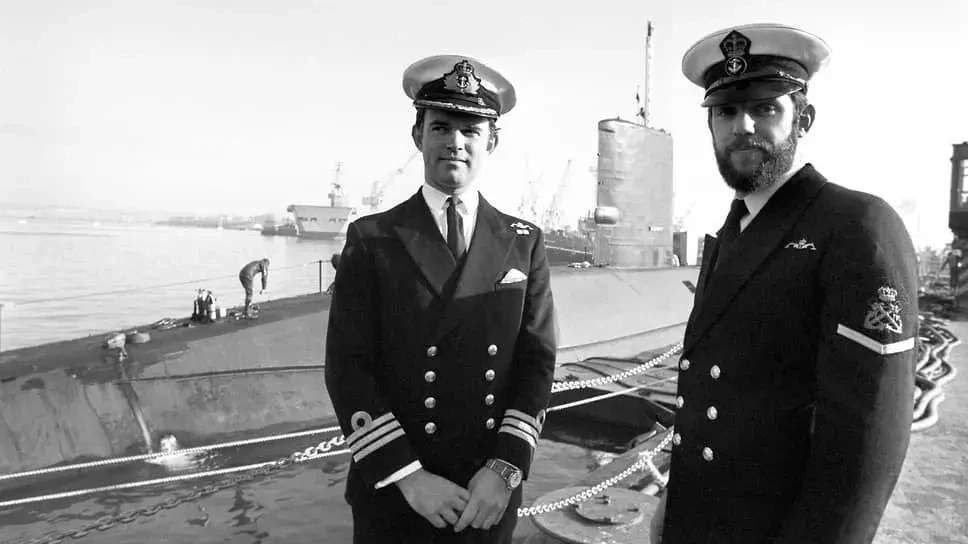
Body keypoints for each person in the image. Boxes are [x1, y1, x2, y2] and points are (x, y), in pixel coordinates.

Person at [651, 23, 919, 543]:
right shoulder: (733, 232)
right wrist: (673, 502)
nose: (743, 126)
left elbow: (867, 447)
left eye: (765, 108)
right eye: (725, 112)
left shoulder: (856, 225)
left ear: (805, 118)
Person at [324, 55, 557, 544]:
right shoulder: (373, 238)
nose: (456, 141)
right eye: (441, 127)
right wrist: (409, 477)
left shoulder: (524, 241)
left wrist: (505, 468)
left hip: (486, 496)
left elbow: (537, 361)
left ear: (491, 142)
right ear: (418, 136)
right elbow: (348, 366)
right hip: (397, 496)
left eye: (471, 130)